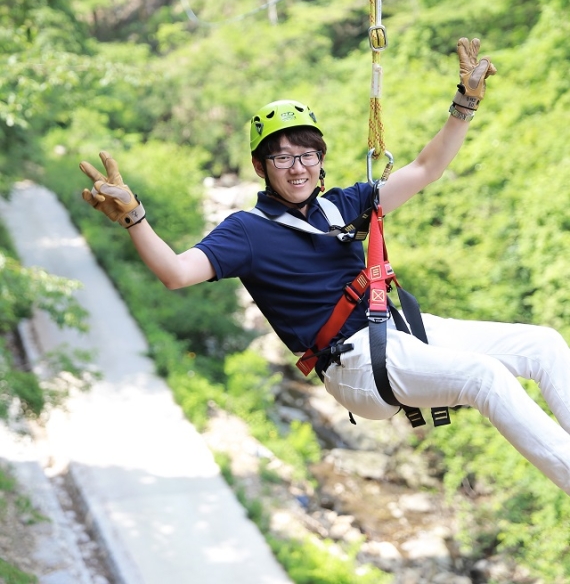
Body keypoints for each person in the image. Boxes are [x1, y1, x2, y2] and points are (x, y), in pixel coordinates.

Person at [80, 38, 570, 495]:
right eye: (282, 158)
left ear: (321, 159)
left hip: (397, 334)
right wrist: (133, 217)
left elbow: (425, 170)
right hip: (354, 364)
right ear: (260, 167)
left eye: (307, 154)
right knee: (484, 378)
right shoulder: (246, 231)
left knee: (542, 344)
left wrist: (465, 104)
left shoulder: (342, 205)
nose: (298, 167)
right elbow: (176, 272)